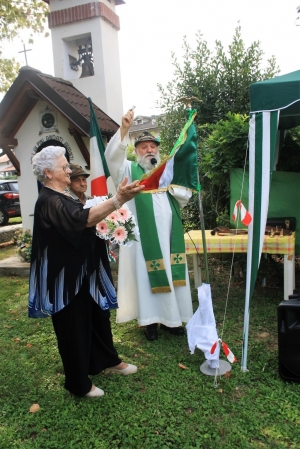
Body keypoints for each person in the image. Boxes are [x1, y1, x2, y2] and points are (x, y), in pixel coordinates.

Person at [28, 146, 144, 397]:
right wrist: (118, 200)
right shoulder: (49, 200)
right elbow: (82, 219)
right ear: (48, 173)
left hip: (86, 273)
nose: (69, 169)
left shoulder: (64, 195)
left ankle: (106, 361)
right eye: (64, 167)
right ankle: (78, 383)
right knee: (74, 328)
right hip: (65, 280)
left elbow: (83, 225)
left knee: (98, 318)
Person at [105, 109, 193, 341]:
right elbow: (112, 158)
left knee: (172, 274)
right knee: (147, 277)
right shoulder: (128, 171)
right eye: (144, 147)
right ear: (136, 151)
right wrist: (123, 129)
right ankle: (150, 322)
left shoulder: (167, 173)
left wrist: (174, 187)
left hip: (170, 236)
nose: (150, 150)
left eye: (153, 146)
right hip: (144, 239)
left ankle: (172, 320)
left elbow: (185, 195)